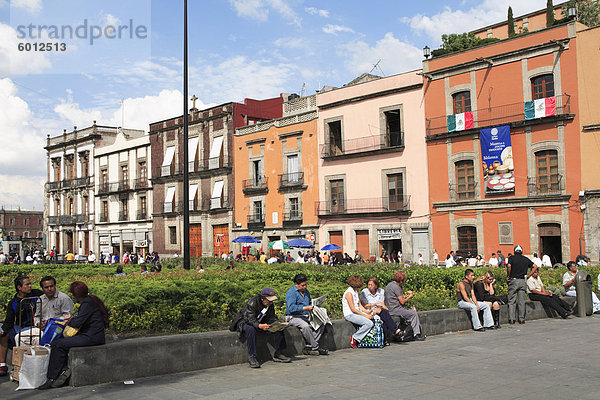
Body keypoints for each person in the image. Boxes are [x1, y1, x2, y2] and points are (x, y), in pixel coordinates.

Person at [38, 281, 109, 389]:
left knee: (57, 344)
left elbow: (77, 322)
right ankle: (62, 370)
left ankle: (52, 378)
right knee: (61, 341)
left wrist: (70, 320)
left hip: (91, 337)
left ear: (75, 295)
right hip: (92, 335)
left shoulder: (87, 303)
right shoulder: (91, 300)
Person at [231, 288, 290, 368]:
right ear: (262, 298)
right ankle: (252, 356)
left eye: (272, 300)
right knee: (250, 329)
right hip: (246, 321)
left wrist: (279, 323)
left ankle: (278, 353)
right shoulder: (252, 303)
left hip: (261, 321)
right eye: (269, 300)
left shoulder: (270, 305)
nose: (271, 302)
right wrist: (259, 325)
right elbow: (248, 318)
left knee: (279, 328)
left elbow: (272, 317)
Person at [0, 275, 44, 376]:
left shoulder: (36, 294)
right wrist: (3, 331)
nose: (30, 286)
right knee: (4, 335)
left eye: (30, 284)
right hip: (21, 327)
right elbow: (9, 321)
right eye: (27, 284)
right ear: (19, 287)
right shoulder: (13, 303)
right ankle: (2, 365)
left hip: (35, 326)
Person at [285, 274, 328, 356]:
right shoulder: (291, 293)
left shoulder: (306, 292)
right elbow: (291, 308)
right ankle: (315, 346)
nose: (304, 287)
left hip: (305, 315)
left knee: (322, 322)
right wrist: (305, 308)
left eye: (305, 285)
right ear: (296, 284)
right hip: (293, 316)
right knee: (305, 326)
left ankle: (310, 346)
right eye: (302, 285)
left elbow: (309, 303)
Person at [360, 277, 403, 345]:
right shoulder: (364, 292)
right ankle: (393, 332)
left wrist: (380, 307)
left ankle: (386, 339)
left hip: (379, 310)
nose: (369, 287)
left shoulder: (381, 291)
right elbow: (364, 306)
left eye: (371, 285)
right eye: (368, 285)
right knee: (384, 315)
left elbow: (382, 304)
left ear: (376, 286)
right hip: (369, 310)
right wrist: (374, 305)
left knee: (384, 314)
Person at [384, 271, 426, 341]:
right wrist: (410, 296)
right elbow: (402, 302)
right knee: (413, 314)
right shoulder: (397, 287)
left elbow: (396, 298)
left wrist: (404, 297)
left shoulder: (389, 285)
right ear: (401, 280)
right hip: (396, 309)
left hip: (389, 307)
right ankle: (416, 334)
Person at [506, 245, 536, 324]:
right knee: (521, 301)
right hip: (523, 280)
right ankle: (521, 319)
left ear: (514, 251)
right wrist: (529, 275)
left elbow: (509, 266)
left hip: (514, 280)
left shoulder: (511, 258)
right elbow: (535, 266)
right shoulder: (525, 259)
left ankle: (512, 319)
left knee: (512, 300)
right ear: (521, 251)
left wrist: (509, 275)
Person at [343, 276, 374, 348]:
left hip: (356, 313)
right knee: (369, 323)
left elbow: (359, 305)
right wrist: (365, 316)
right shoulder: (349, 293)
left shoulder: (355, 292)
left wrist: (367, 312)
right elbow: (353, 309)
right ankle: (355, 337)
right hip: (350, 314)